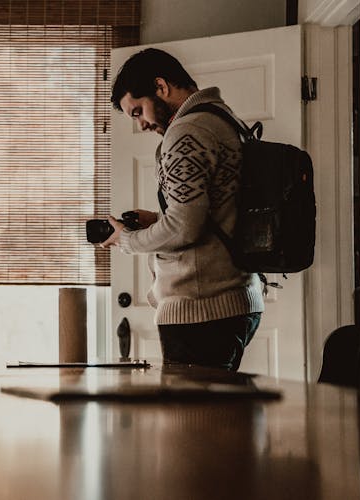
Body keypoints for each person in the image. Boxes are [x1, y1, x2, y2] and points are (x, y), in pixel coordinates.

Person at [103, 48, 264, 371]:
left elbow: (183, 228)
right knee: (219, 418)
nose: (142, 124)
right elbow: (214, 211)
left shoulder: (187, 132)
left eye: (138, 111)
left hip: (201, 310)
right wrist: (158, 220)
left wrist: (127, 240)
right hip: (235, 298)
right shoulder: (223, 119)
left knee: (190, 421)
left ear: (160, 87)